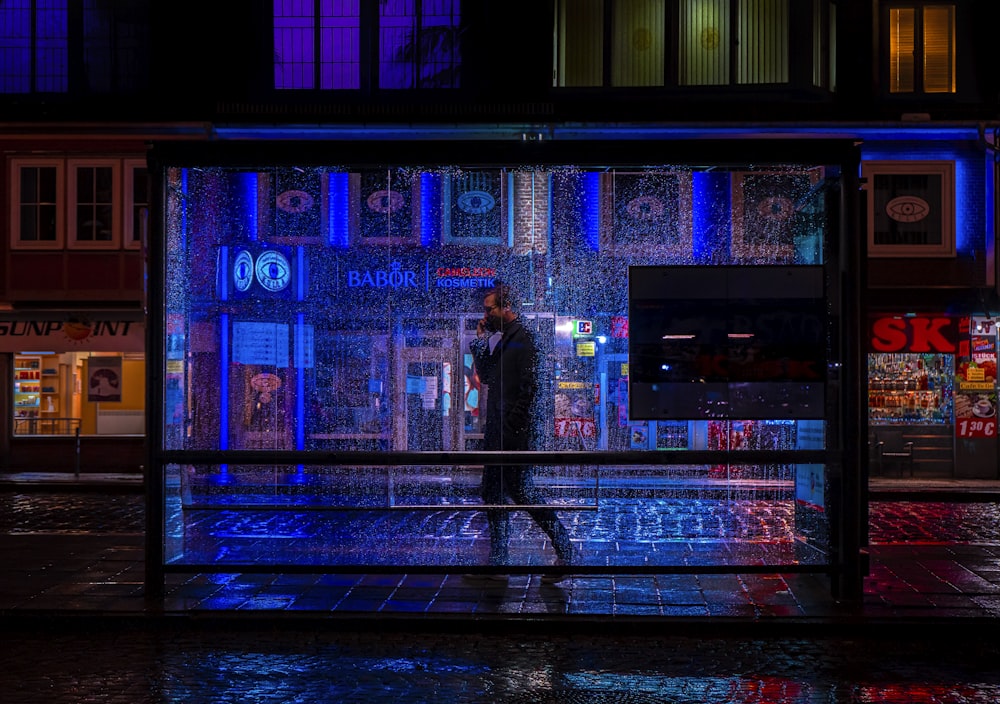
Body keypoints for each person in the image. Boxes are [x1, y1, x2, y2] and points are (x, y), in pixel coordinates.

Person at [466, 283, 575, 583]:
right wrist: (480, 342)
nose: (485, 314)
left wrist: (514, 426)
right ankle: (498, 561)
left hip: (513, 436)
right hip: (500, 434)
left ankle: (566, 552)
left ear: (507, 306)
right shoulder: (504, 340)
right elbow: (487, 377)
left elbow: (531, 389)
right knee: (493, 492)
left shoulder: (524, 338)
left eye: (489, 309)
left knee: (522, 492)